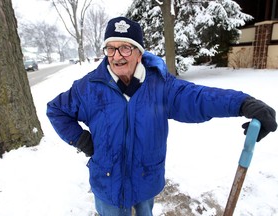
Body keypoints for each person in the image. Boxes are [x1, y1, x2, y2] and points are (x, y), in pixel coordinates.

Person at [46, 17, 277, 216]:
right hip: (106, 182)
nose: (117, 56)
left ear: (139, 52)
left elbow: (199, 98)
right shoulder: (89, 87)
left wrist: (243, 103)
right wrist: (80, 139)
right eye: (111, 48)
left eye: (125, 47)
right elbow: (56, 110)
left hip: (146, 178)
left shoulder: (161, 86)